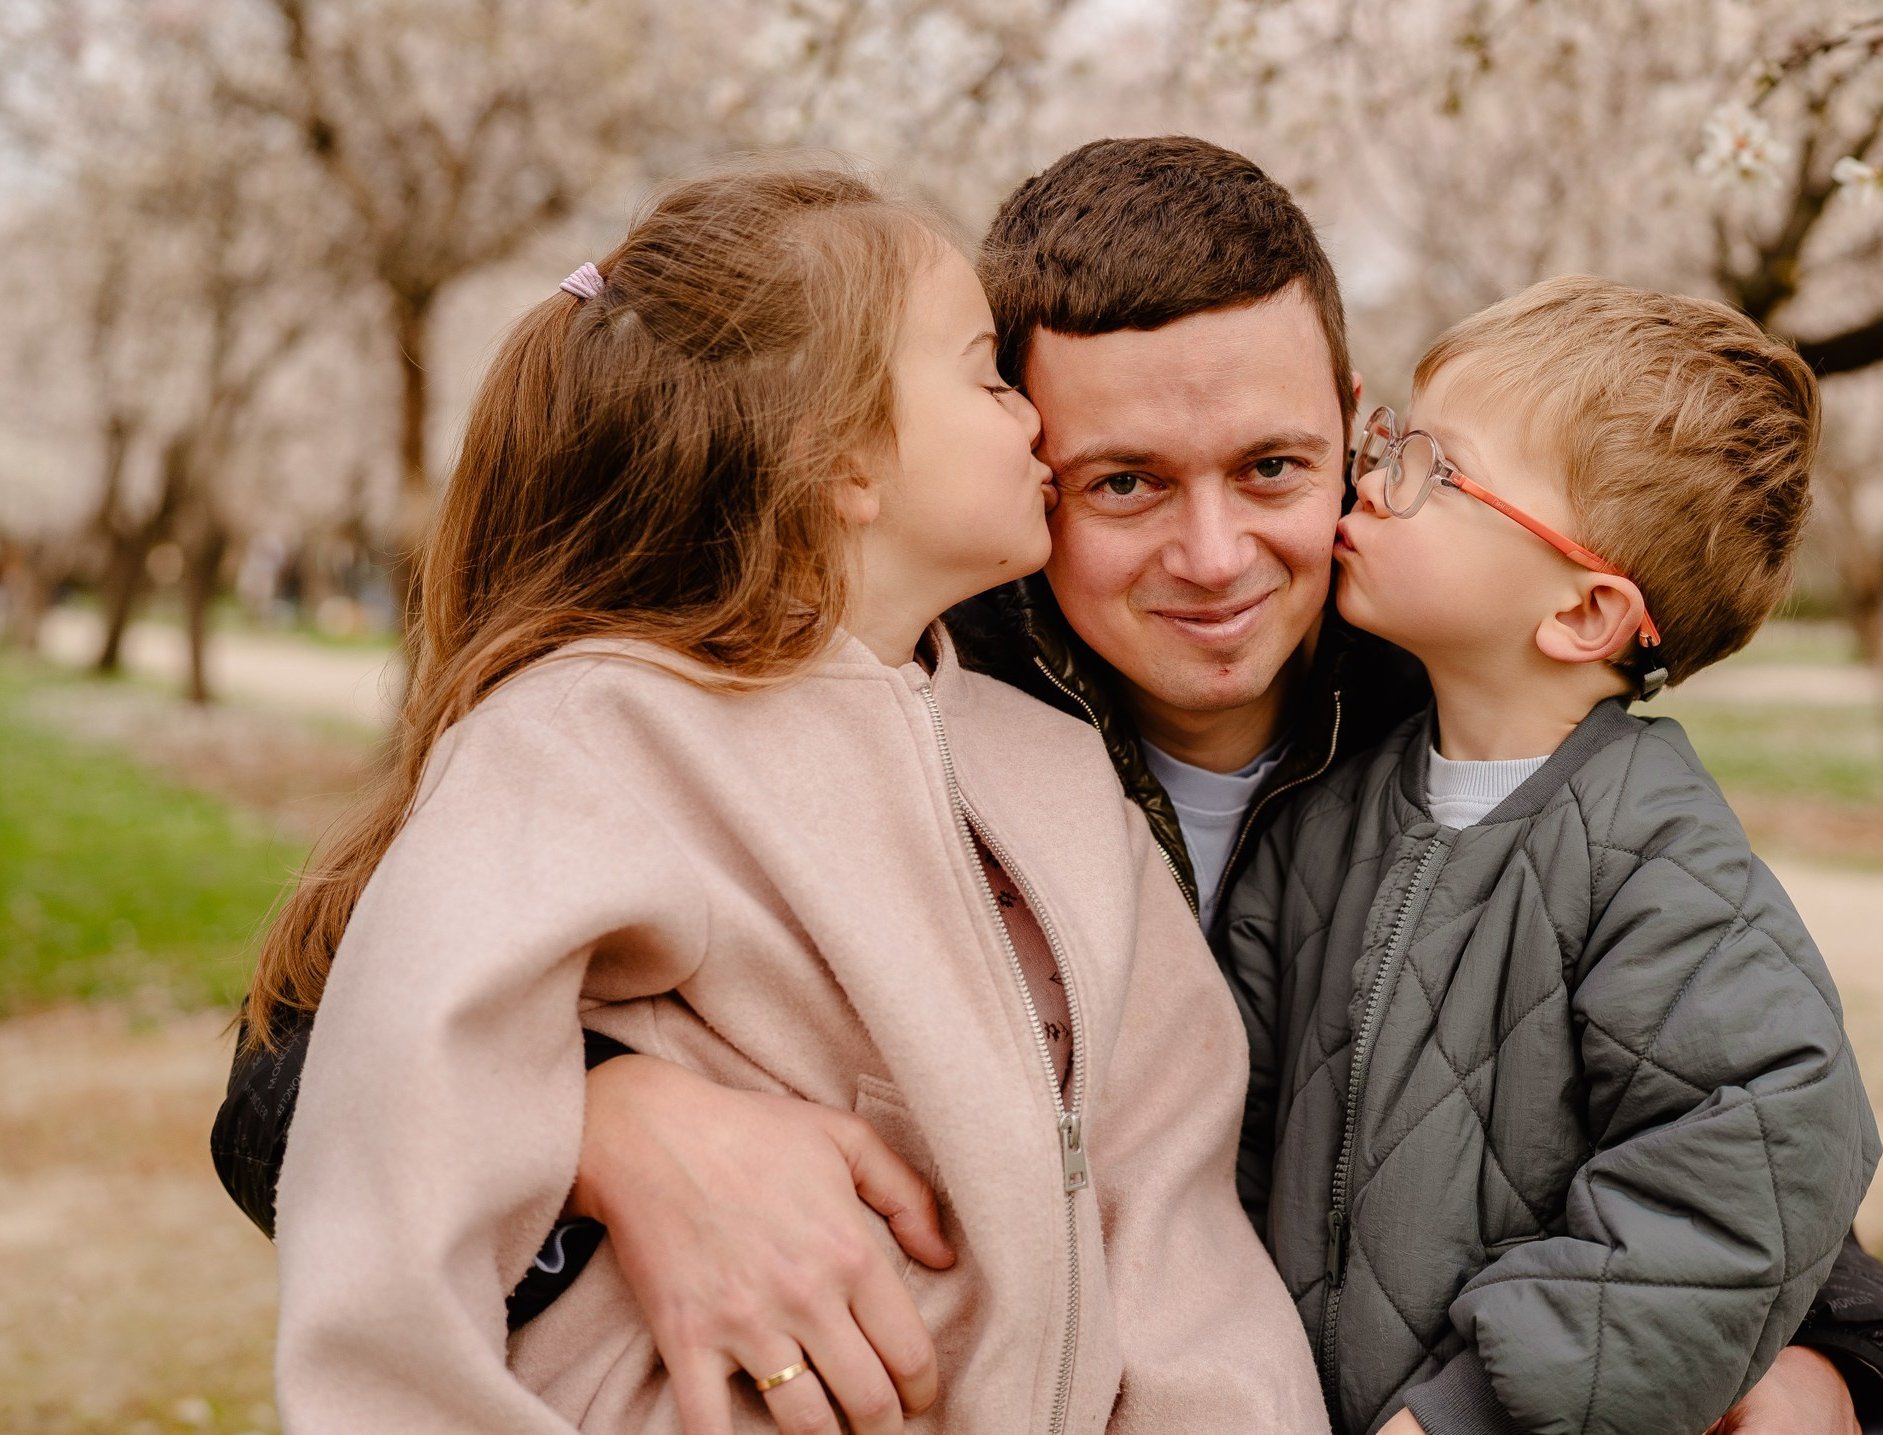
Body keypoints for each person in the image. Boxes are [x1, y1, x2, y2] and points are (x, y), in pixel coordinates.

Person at [216, 138, 1883, 1435]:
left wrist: (1830, 1382)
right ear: (1023, 449)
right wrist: (620, 1128)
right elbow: (307, 1076)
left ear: (1353, 428)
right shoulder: (898, 692)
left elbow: (1726, 1161)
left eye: (1275, 467)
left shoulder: (1463, 732)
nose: (1214, 556)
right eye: (1124, 482)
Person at [260, 156, 1326, 1434]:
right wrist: (606, 1117)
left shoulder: (1052, 768)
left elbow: (1173, 1225)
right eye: (989, 375)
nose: (1036, 424)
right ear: (843, 464)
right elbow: (389, 1141)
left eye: (1270, 467)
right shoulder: (599, 733)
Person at [1225, 278, 1876, 1435]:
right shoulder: (1322, 817)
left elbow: (1752, 1163)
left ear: (1582, 615)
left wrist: (1474, 1408)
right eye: (1390, 443)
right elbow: (1229, 1136)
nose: (1369, 482)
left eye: (1435, 467)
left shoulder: (1651, 856)